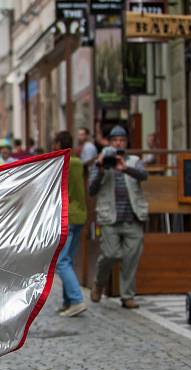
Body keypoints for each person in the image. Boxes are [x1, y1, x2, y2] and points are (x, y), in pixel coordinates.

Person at [88, 125, 148, 309]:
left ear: (126, 142)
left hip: (133, 216)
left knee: (131, 257)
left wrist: (125, 169)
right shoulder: (101, 162)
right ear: (109, 142)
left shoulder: (135, 160)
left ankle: (127, 296)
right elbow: (91, 190)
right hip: (109, 218)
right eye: (115, 140)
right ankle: (99, 283)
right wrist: (100, 169)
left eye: (121, 140)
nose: (118, 143)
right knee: (110, 254)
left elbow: (143, 176)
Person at [52, 131, 87, 317]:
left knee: (61, 261)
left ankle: (76, 300)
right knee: (68, 260)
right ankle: (68, 302)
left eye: (54, 144)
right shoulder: (78, 162)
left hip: (68, 215)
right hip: (80, 214)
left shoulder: (64, 163)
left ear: (59, 144)